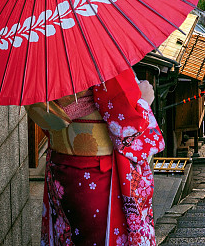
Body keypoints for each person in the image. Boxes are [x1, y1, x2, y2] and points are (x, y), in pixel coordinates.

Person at [26, 69, 165, 246]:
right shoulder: (100, 60)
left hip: (60, 170)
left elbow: (49, 120)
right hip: (97, 173)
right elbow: (127, 124)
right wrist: (144, 101)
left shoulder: (45, 61)